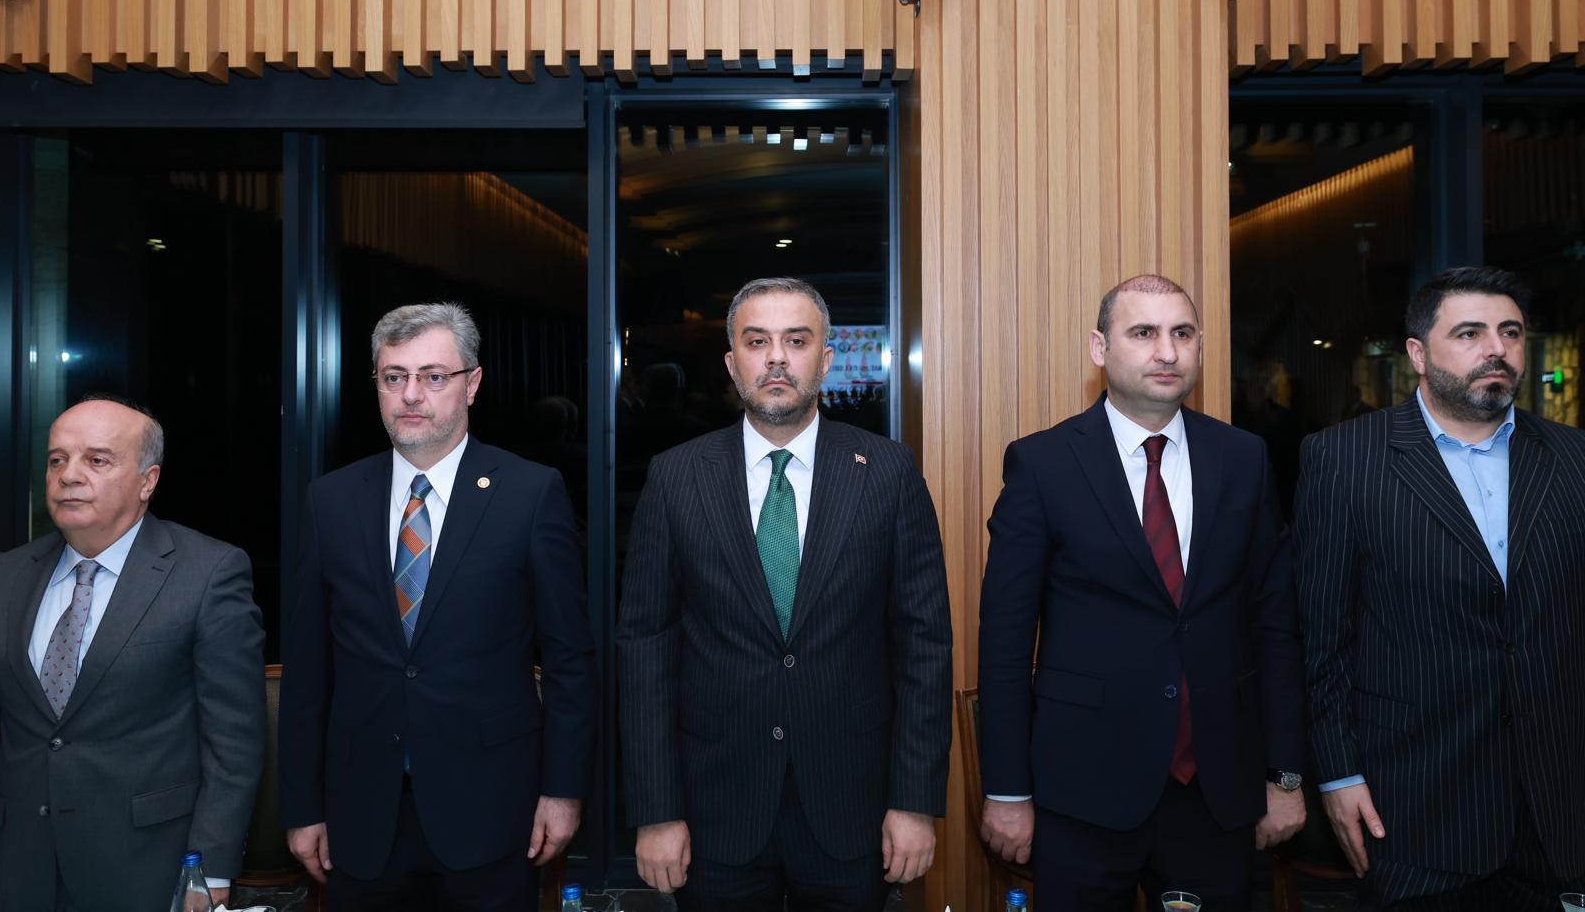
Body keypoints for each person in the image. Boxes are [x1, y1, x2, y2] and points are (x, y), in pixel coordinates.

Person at [618, 276, 952, 911]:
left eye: (796, 341)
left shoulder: (888, 471)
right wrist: (656, 809)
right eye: (757, 341)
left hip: (853, 808)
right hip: (715, 811)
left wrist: (914, 801)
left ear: (826, 360)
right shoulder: (676, 476)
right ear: (731, 363)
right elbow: (645, 650)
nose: (776, 358)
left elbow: (925, 646)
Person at [977, 274, 1306, 912]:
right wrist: (1008, 791)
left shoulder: (1244, 458)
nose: (1167, 351)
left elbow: (1274, 625)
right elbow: (1006, 644)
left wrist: (1285, 776)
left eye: (1182, 333)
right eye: (1144, 333)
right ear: (1099, 348)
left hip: (1216, 789)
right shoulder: (1043, 465)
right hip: (1082, 790)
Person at [279, 302, 596, 912]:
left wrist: (564, 791)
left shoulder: (530, 494)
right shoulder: (331, 500)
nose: (411, 395)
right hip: (360, 812)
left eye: (433, 376)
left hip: (493, 806)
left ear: (471, 384)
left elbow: (568, 659)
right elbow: (308, 670)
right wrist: (302, 806)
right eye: (394, 376)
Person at [1295, 266, 1585, 910]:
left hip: (1556, 805)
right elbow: (1323, 638)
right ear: (1418, 353)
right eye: (1470, 333)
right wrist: (1338, 774)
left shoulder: (1573, 458)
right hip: (1416, 801)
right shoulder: (1343, 458)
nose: (1497, 348)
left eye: (1510, 332)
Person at [0, 395, 265, 912]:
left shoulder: (208, 573)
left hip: (147, 868)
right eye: (57, 459)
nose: (69, 475)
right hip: (18, 866)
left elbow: (233, 743)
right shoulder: (3, 574)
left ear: (147, 481)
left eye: (97, 460)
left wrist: (210, 869)